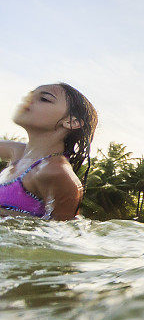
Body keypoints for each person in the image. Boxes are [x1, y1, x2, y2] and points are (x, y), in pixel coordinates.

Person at [0, 83, 98, 220]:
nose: (27, 100)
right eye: (29, 96)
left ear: (72, 122)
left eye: (44, 99)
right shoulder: (18, 152)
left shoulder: (55, 172)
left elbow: (62, 235)